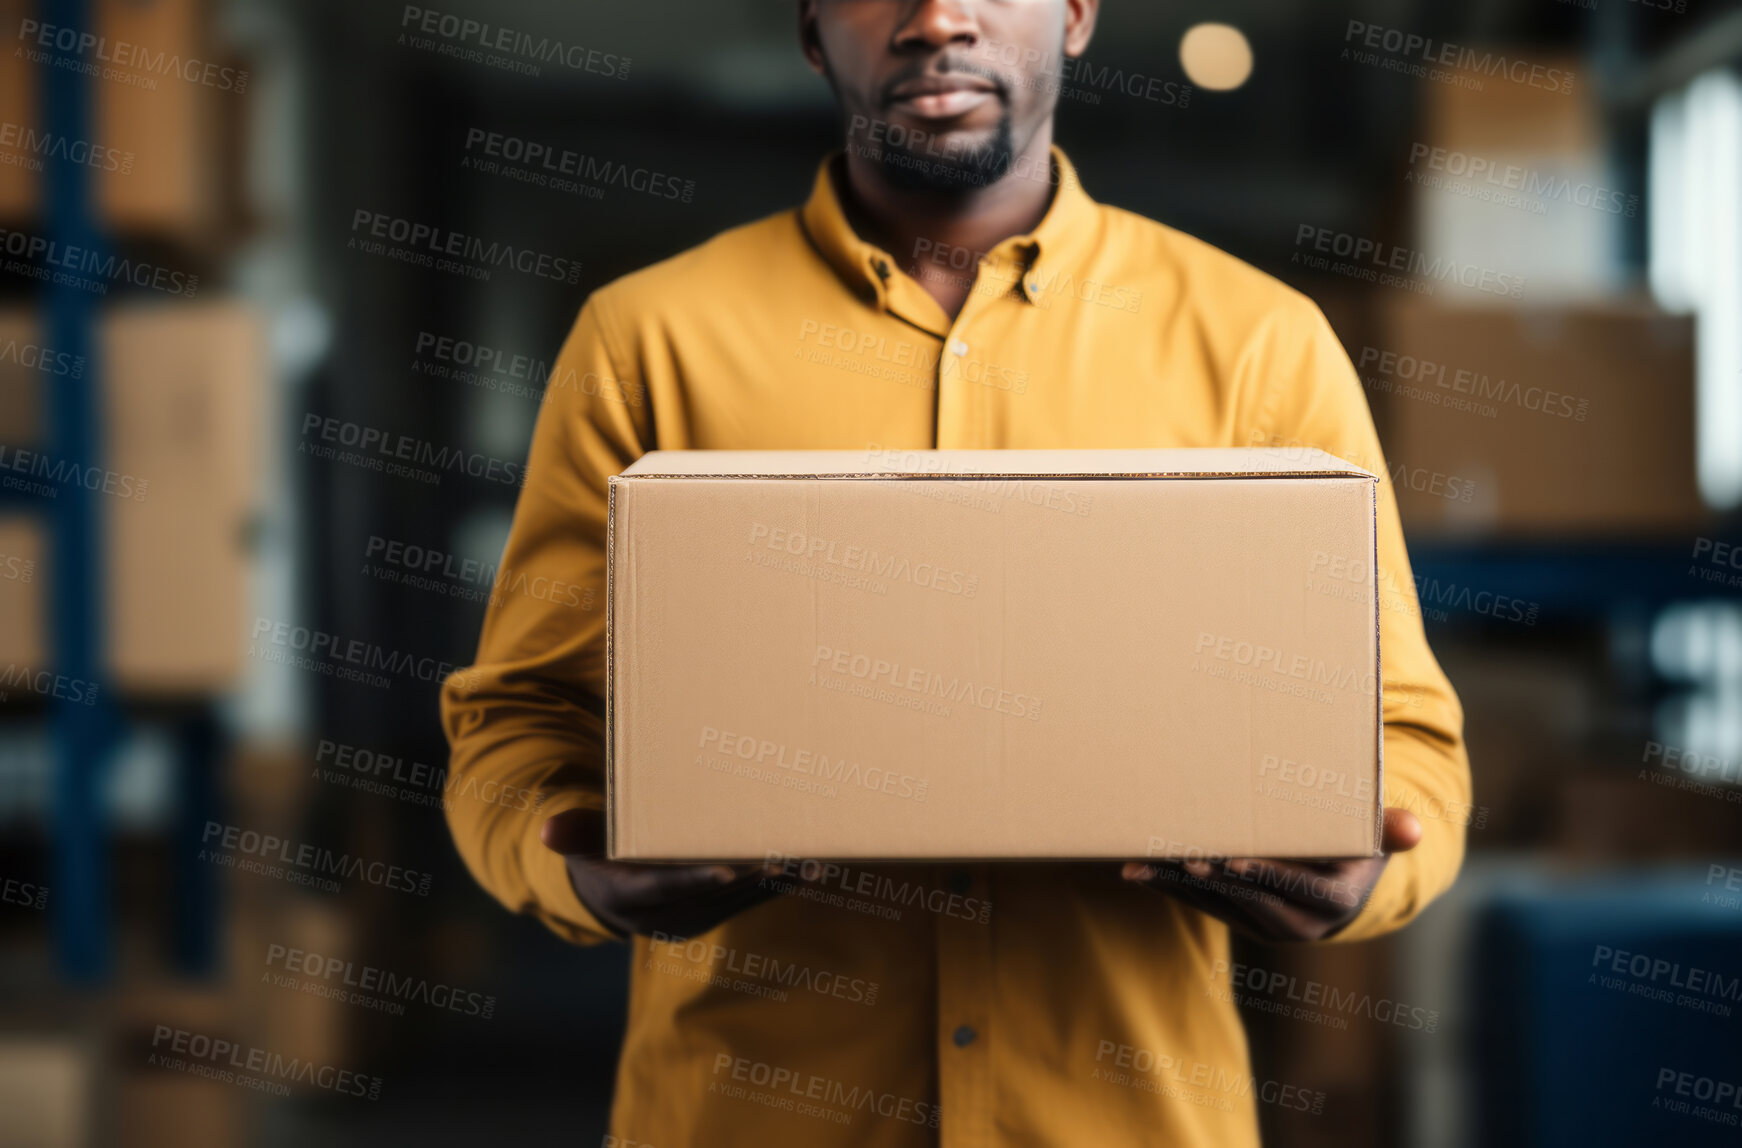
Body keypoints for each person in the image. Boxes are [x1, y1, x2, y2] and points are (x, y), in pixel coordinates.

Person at [440, 1, 1472, 1143]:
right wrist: (582, 872)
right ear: (808, 30)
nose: (935, 18)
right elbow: (515, 723)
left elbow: (1406, 739)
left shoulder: (1257, 344)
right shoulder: (646, 341)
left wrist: (1362, 876)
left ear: (1075, 15)